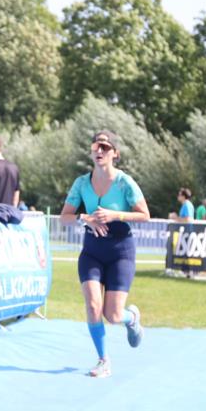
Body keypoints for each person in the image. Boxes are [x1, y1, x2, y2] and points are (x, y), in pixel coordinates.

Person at [60, 130, 150, 378]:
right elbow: (64, 217)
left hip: (121, 251)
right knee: (92, 305)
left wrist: (115, 215)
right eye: (96, 147)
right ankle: (103, 360)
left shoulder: (124, 183)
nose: (99, 151)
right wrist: (84, 218)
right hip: (92, 251)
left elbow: (144, 214)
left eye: (105, 147)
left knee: (112, 315)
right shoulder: (81, 183)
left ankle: (131, 318)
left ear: (115, 154)